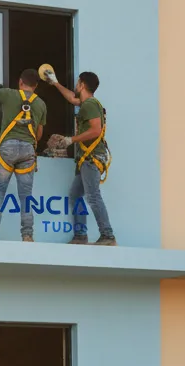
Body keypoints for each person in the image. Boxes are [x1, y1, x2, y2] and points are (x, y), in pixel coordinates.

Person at [0, 67, 48, 242]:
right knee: (26, 196)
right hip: (28, 151)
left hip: (7, 148)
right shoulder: (41, 104)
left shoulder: (9, 94)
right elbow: (39, 135)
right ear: (36, 86)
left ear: (20, 82)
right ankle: (27, 235)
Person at [45, 70, 116, 246]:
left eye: (78, 82)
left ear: (82, 84)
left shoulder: (90, 105)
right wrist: (55, 82)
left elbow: (96, 130)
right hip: (86, 158)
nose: (76, 86)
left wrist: (71, 140)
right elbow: (72, 98)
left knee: (92, 196)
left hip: (91, 158)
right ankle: (80, 236)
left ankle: (108, 235)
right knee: (76, 194)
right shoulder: (87, 103)